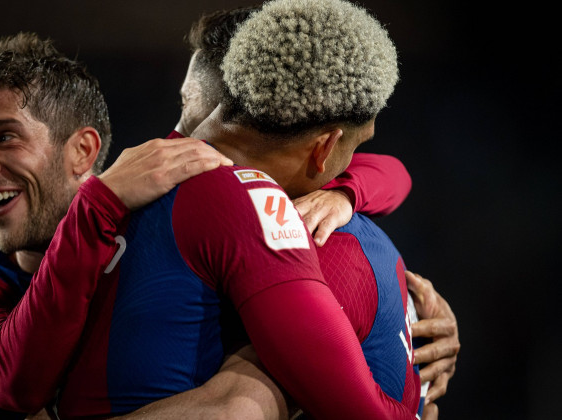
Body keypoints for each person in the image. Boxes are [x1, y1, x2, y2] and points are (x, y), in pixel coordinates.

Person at [0, 30, 412, 419]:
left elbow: (376, 165)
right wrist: (95, 208)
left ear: (83, 151)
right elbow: (13, 382)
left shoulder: (166, 221)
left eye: (5, 137)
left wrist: (347, 192)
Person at [174, 3, 460, 417]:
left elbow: (394, 172)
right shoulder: (148, 186)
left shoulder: (316, 231)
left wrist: (346, 194)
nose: (185, 132)